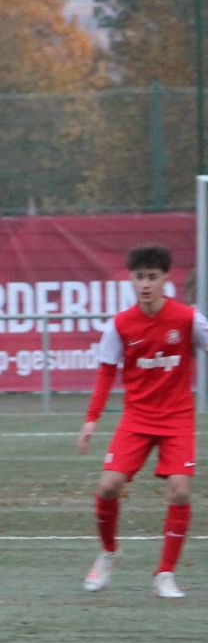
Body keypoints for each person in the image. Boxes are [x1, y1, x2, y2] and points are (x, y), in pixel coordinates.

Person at [78, 243, 208, 599]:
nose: (145, 284)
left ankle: (165, 574)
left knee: (180, 490)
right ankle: (109, 553)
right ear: (131, 280)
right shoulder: (120, 325)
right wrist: (91, 419)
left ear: (166, 278)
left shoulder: (187, 319)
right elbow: (106, 372)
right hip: (136, 418)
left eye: (152, 277)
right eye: (139, 277)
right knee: (108, 487)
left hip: (177, 418)